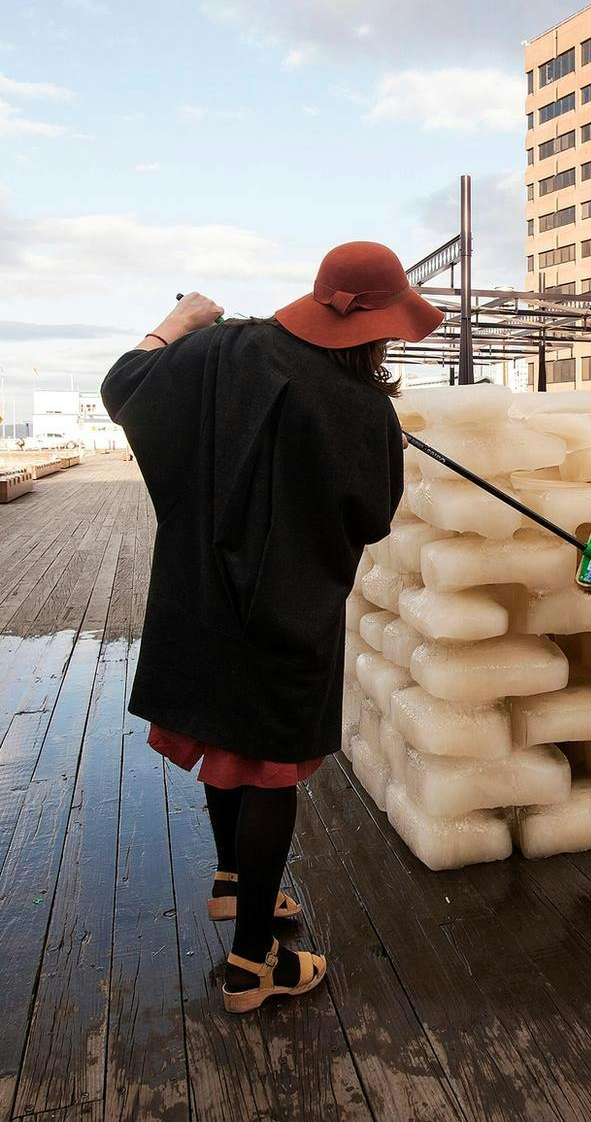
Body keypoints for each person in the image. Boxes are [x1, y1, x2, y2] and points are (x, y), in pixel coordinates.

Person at [101, 241, 442, 1013]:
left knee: (229, 752)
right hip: (285, 615)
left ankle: (233, 883)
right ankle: (254, 967)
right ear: (380, 327)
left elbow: (124, 387)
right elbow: (371, 518)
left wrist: (179, 322)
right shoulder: (364, 411)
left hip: (199, 600)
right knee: (269, 777)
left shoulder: (221, 350)